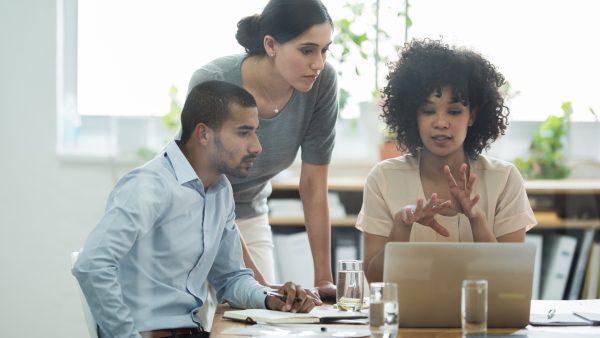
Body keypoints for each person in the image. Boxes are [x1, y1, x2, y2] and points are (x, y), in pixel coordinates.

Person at [72, 80, 317, 338]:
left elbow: (231, 278)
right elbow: (92, 264)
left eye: (256, 132)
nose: (257, 146)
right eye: (244, 133)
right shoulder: (149, 186)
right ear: (203, 134)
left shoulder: (220, 190)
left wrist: (272, 299)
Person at [188, 0, 337, 297]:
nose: (318, 63)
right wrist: (260, 286)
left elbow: (313, 185)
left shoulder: (321, 84)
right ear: (271, 45)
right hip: (196, 215)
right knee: (207, 320)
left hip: (250, 213)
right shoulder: (214, 83)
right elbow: (207, 191)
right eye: (307, 50)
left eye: (324, 50)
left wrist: (324, 279)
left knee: (260, 324)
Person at [356, 39, 537, 283]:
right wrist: (402, 224)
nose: (440, 122)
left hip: (481, 319)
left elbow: (511, 280)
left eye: (454, 111)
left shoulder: (504, 179)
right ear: (413, 115)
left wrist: (477, 219)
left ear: (472, 116)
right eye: (428, 111)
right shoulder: (383, 178)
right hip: (407, 318)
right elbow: (374, 280)